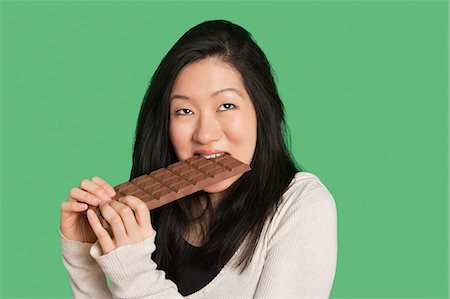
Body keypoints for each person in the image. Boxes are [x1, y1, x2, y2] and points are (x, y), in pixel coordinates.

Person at [60, 19, 338, 298]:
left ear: (261, 111)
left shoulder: (302, 206)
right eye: (184, 111)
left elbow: (138, 283)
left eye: (226, 106)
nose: (205, 134)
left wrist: (134, 271)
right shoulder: (154, 216)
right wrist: (83, 262)